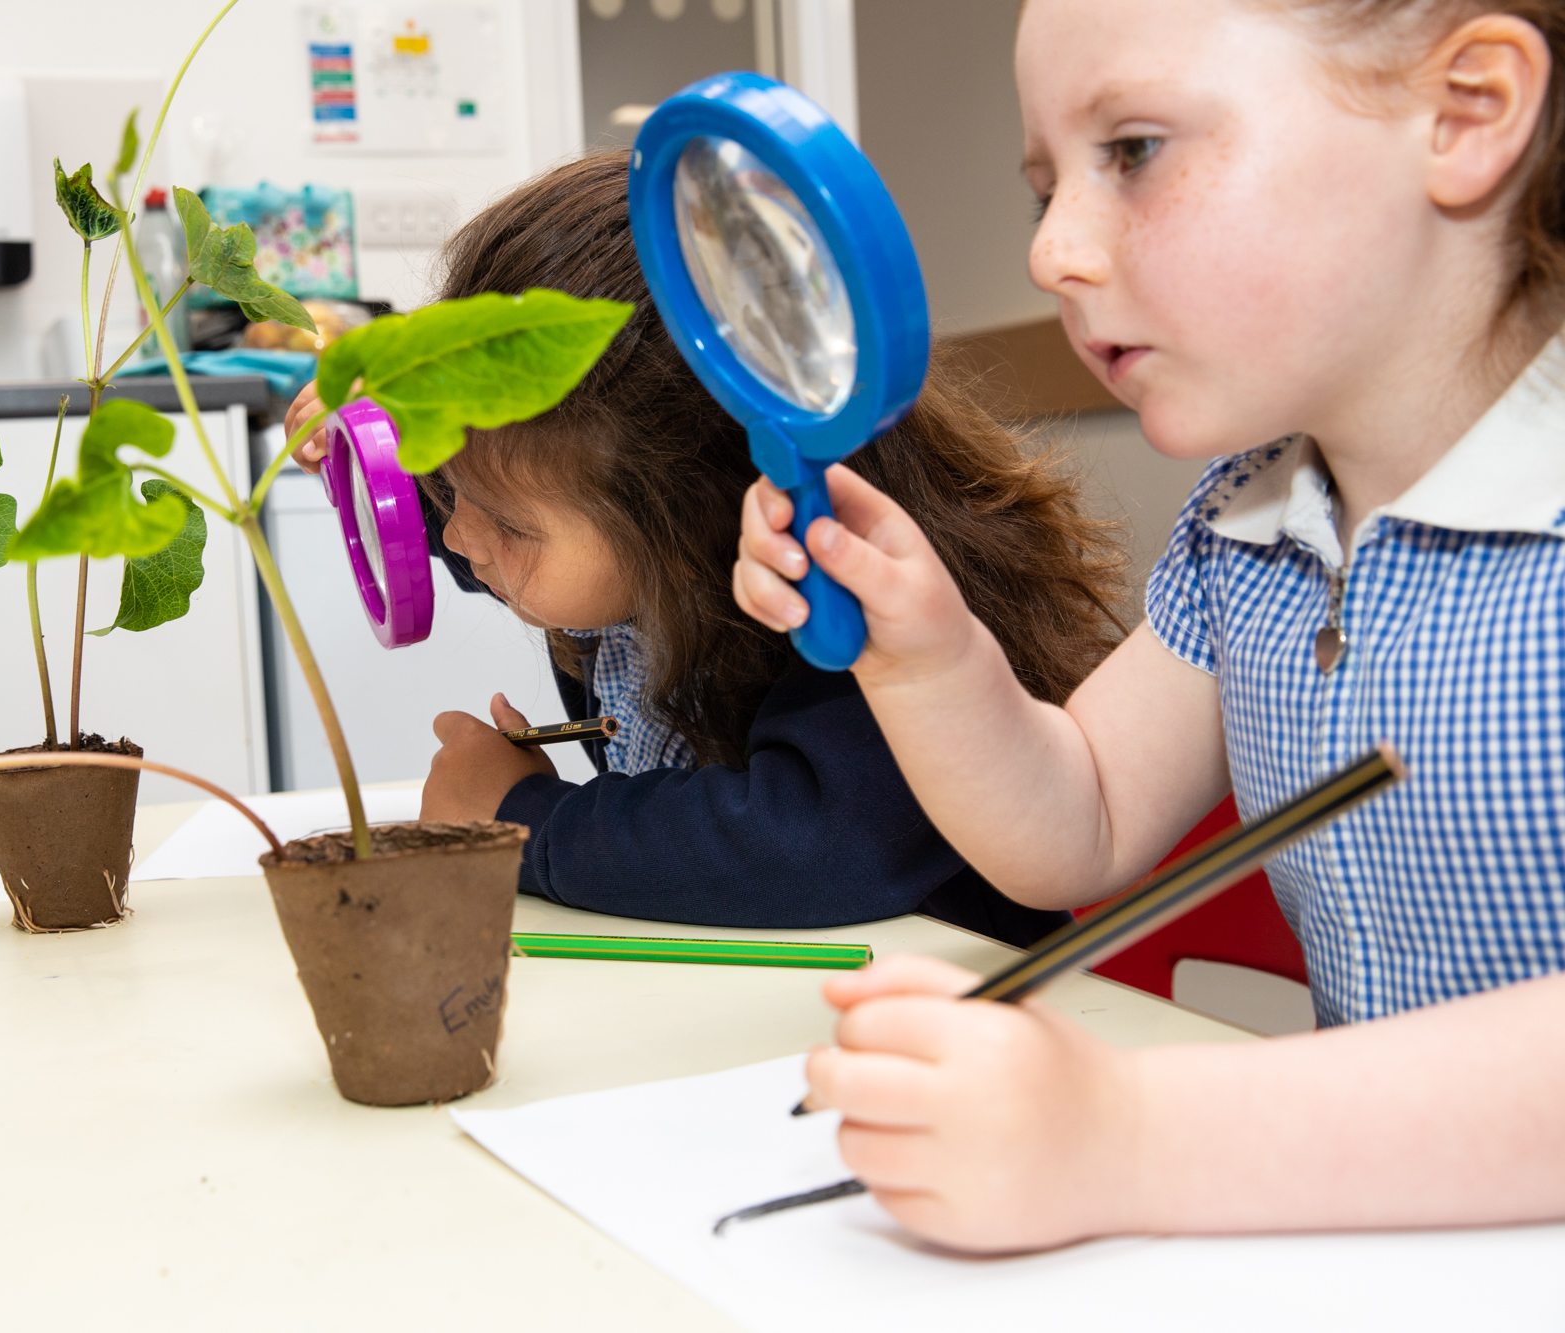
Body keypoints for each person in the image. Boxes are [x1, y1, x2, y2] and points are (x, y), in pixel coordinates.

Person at [736, 0, 1565, 1251]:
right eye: (1042, 190)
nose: (1051, 251)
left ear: (1464, 114)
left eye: (1131, 151)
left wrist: (1125, 1130)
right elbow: (1077, 824)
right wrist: (924, 654)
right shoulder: (1246, 521)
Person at [284, 151, 1127, 943]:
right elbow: (524, 528)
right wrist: (381, 475)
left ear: (688, 524)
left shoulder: (846, 603)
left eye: (507, 525)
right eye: (450, 488)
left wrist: (527, 821)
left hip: (951, 1007)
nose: (459, 534)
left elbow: (808, 845)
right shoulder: (641, 556)